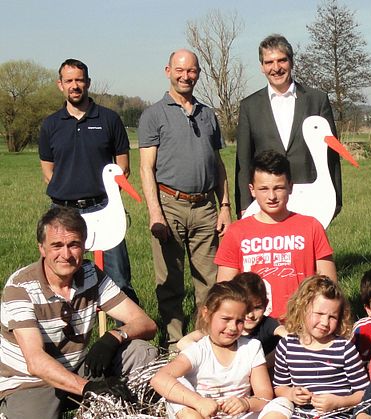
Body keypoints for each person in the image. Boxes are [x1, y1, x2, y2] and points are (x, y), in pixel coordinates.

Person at [0, 207, 158, 419]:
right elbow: (35, 362)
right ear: (42, 249)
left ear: (84, 246)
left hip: (77, 367)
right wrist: (89, 388)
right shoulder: (20, 287)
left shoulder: (91, 274)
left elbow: (145, 323)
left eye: (73, 245)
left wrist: (113, 337)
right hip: (30, 382)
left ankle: (134, 410)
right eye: (57, 245)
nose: (66, 255)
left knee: (140, 352)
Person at [138, 49, 232, 350]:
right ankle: (174, 345)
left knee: (211, 280)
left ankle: (207, 341)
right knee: (170, 282)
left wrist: (225, 206)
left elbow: (217, 164)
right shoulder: (154, 115)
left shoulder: (207, 114)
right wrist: (156, 213)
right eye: (180, 70)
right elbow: (145, 167)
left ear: (198, 73)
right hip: (170, 205)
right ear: (168, 70)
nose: (185, 76)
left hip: (205, 206)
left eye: (191, 71)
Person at [38, 58, 138, 304]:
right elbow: (48, 172)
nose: (75, 85)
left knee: (119, 280)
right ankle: (68, 334)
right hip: (63, 211)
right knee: (62, 277)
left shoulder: (109, 119)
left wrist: (106, 197)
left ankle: (127, 337)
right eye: (69, 80)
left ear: (88, 83)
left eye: (79, 80)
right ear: (60, 84)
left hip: (103, 209)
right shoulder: (50, 124)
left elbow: (122, 167)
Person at [215, 150, 337, 321]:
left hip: (301, 324)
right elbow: (224, 291)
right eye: (263, 189)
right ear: (252, 190)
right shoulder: (236, 232)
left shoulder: (311, 227)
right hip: (253, 326)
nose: (271, 196)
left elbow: (330, 286)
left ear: (290, 186)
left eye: (278, 188)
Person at [151, 280, 292, 419]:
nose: (232, 327)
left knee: (283, 403)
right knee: (177, 392)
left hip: (241, 415)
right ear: (206, 314)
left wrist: (246, 403)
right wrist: (198, 402)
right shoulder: (199, 350)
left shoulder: (251, 347)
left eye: (239, 321)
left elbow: (264, 395)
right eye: (226, 319)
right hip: (202, 413)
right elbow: (159, 379)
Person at [235, 34, 341, 218]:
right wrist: (245, 205)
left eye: (281, 60)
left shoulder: (317, 100)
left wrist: (335, 200)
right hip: (267, 201)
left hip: (310, 198)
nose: (276, 68)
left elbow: (331, 154)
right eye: (269, 62)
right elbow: (243, 161)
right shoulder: (249, 106)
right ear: (262, 67)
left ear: (291, 62)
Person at [273, 275, 368, 419]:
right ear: (302, 308)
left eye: (332, 317)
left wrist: (339, 402)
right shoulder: (287, 346)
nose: (325, 322)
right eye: (319, 314)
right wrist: (292, 394)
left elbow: (365, 393)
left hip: (336, 414)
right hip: (299, 414)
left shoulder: (344, 349)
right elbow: (280, 387)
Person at [177, 272, 287, 357]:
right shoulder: (225, 328)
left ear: (266, 304)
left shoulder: (267, 324)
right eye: (246, 309)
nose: (250, 315)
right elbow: (183, 343)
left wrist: (262, 363)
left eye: (257, 308)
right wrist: (209, 357)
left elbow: (289, 336)